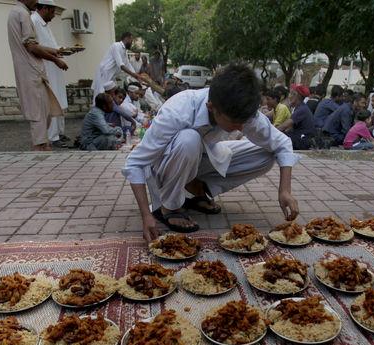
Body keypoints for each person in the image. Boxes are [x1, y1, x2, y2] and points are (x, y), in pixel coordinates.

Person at [122, 64, 300, 240]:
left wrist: (285, 190)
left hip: (206, 153)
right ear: (211, 107)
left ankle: (196, 189)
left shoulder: (243, 110)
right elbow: (135, 163)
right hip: (165, 164)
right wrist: (146, 215)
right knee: (189, 139)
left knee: (266, 154)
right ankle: (169, 207)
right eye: (234, 122)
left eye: (243, 122)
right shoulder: (178, 110)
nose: (241, 128)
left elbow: (282, 143)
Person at [7, 0, 67, 151]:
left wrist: (54, 51)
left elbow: (32, 45)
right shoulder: (23, 14)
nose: (36, 2)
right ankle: (40, 147)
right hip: (32, 69)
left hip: (28, 69)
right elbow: (32, 47)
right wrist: (55, 60)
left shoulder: (15, 12)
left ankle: (42, 144)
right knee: (38, 111)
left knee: (44, 108)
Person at [31, 1, 69, 147]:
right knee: (52, 101)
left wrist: (62, 49)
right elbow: (36, 47)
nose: (53, 16)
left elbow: (51, 46)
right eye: (52, 12)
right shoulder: (34, 21)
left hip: (54, 67)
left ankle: (59, 132)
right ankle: (53, 136)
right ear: (44, 8)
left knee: (59, 99)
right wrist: (55, 57)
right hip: (47, 67)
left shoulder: (44, 24)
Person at [92, 32, 145, 102]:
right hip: (104, 74)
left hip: (111, 76)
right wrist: (135, 75)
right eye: (131, 41)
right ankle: (95, 109)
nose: (131, 43)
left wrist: (137, 77)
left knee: (110, 96)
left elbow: (128, 64)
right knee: (99, 95)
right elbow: (121, 65)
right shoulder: (116, 46)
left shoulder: (124, 51)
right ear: (127, 38)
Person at [278, 84, 315, 150]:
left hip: (303, 140)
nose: (289, 96)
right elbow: (289, 128)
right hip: (300, 137)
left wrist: (272, 133)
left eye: (292, 94)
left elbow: (284, 125)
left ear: (297, 96)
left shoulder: (302, 109)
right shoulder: (300, 108)